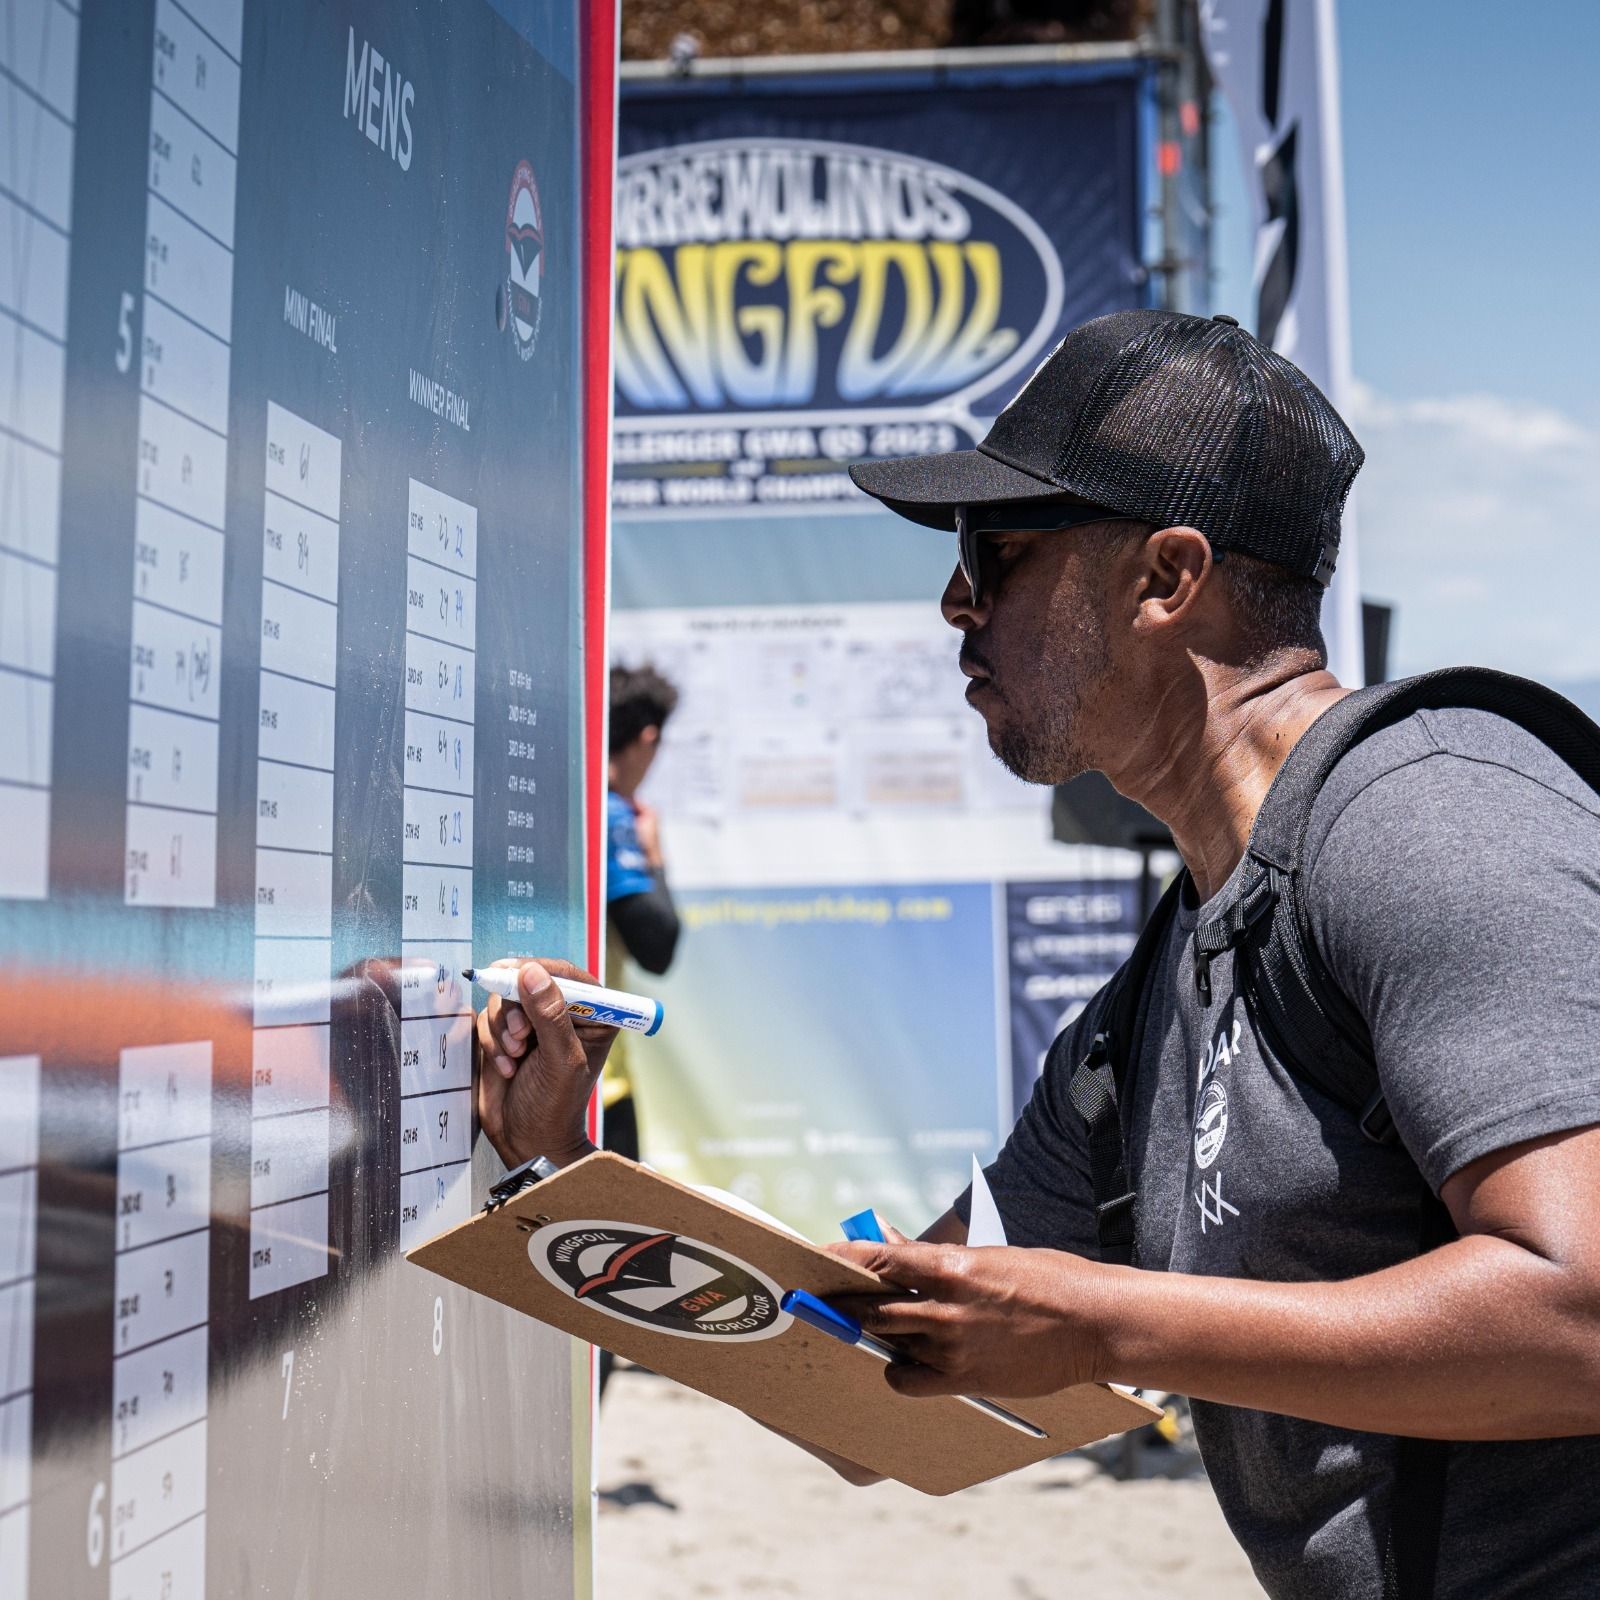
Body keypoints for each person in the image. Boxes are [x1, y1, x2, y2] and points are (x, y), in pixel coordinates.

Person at [475, 310, 1600, 1599]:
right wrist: (564, 1174)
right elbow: (867, 1380)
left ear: (1167, 577)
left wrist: (1099, 1322)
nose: (955, 600)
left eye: (996, 549)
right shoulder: (1152, 1006)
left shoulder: (1432, 818)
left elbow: (1582, 1317)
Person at [598, 663, 682, 1167]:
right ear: (647, 738)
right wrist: (655, 856)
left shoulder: (574, 800)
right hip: (598, 1083)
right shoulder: (610, 814)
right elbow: (658, 947)